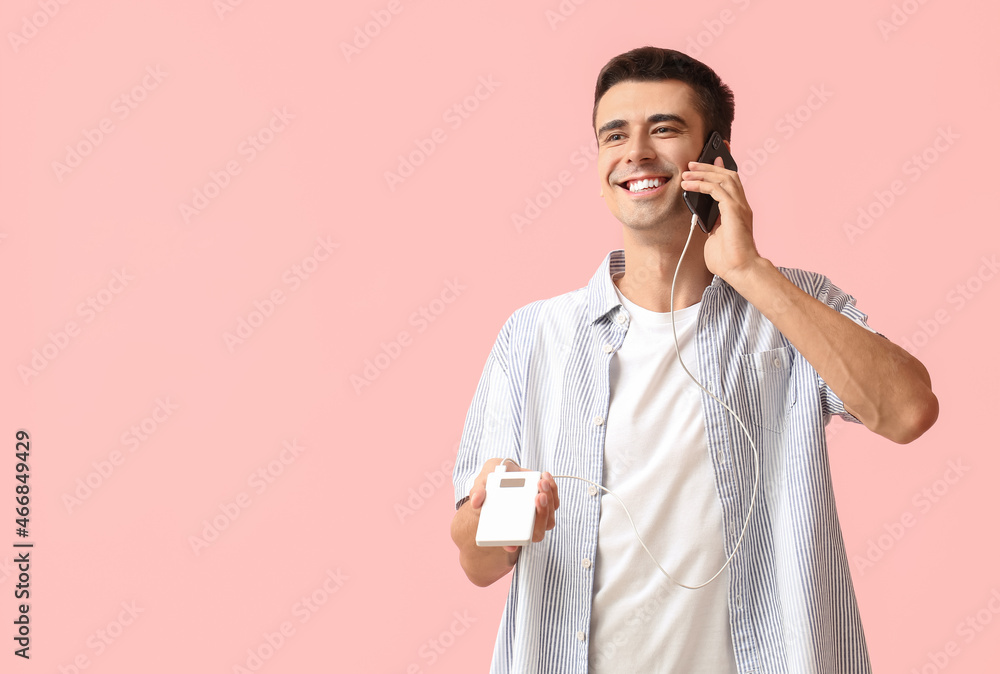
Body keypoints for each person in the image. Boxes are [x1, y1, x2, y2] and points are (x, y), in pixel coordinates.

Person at [449, 46, 938, 673]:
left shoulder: (794, 305)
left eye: (665, 129)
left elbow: (908, 412)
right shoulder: (534, 336)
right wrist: (498, 522)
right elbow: (477, 563)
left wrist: (748, 270)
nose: (636, 154)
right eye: (614, 135)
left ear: (717, 158)